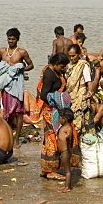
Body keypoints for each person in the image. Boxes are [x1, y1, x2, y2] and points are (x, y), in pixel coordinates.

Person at [38, 53, 75, 181]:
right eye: (62, 66)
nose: (64, 68)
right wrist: (58, 100)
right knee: (52, 140)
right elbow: (44, 94)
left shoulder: (56, 73)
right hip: (50, 112)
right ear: (55, 64)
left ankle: (49, 168)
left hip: (56, 110)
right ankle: (50, 171)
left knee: (53, 139)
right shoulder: (49, 74)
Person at [0, 27, 33, 142]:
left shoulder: (21, 52)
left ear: (17, 40)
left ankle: (16, 138)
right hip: (5, 85)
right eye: (9, 39)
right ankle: (7, 136)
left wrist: (20, 70)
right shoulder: (2, 51)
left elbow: (31, 65)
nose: (11, 41)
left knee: (18, 112)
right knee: (6, 111)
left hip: (17, 84)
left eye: (13, 39)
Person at [65, 44, 93, 134]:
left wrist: (89, 92)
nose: (71, 58)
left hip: (81, 93)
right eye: (70, 56)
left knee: (81, 117)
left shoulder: (83, 65)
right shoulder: (70, 66)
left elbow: (88, 81)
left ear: (79, 54)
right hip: (72, 94)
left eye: (73, 56)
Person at [55, 108, 77, 193]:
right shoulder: (64, 127)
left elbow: (69, 135)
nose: (59, 120)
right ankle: (66, 185)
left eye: (60, 118)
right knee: (65, 170)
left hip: (65, 152)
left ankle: (68, 187)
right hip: (63, 152)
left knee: (67, 171)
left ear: (64, 119)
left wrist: (68, 136)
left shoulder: (68, 127)